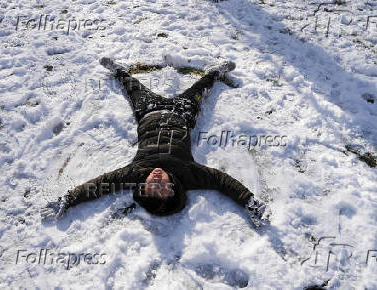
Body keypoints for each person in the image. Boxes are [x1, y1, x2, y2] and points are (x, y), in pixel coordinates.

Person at [41, 57, 269, 227]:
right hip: (182, 114)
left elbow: (99, 185)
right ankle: (215, 74)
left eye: (153, 186)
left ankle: (120, 72)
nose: (158, 179)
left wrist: (68, 200)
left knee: (133, 89)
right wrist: (248, 200)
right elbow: (221, 181)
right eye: (164, 186)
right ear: (172, 187)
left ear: (144, 186)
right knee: (199, 90)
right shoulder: (187, 174)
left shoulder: (135, 173)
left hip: (148, 112)